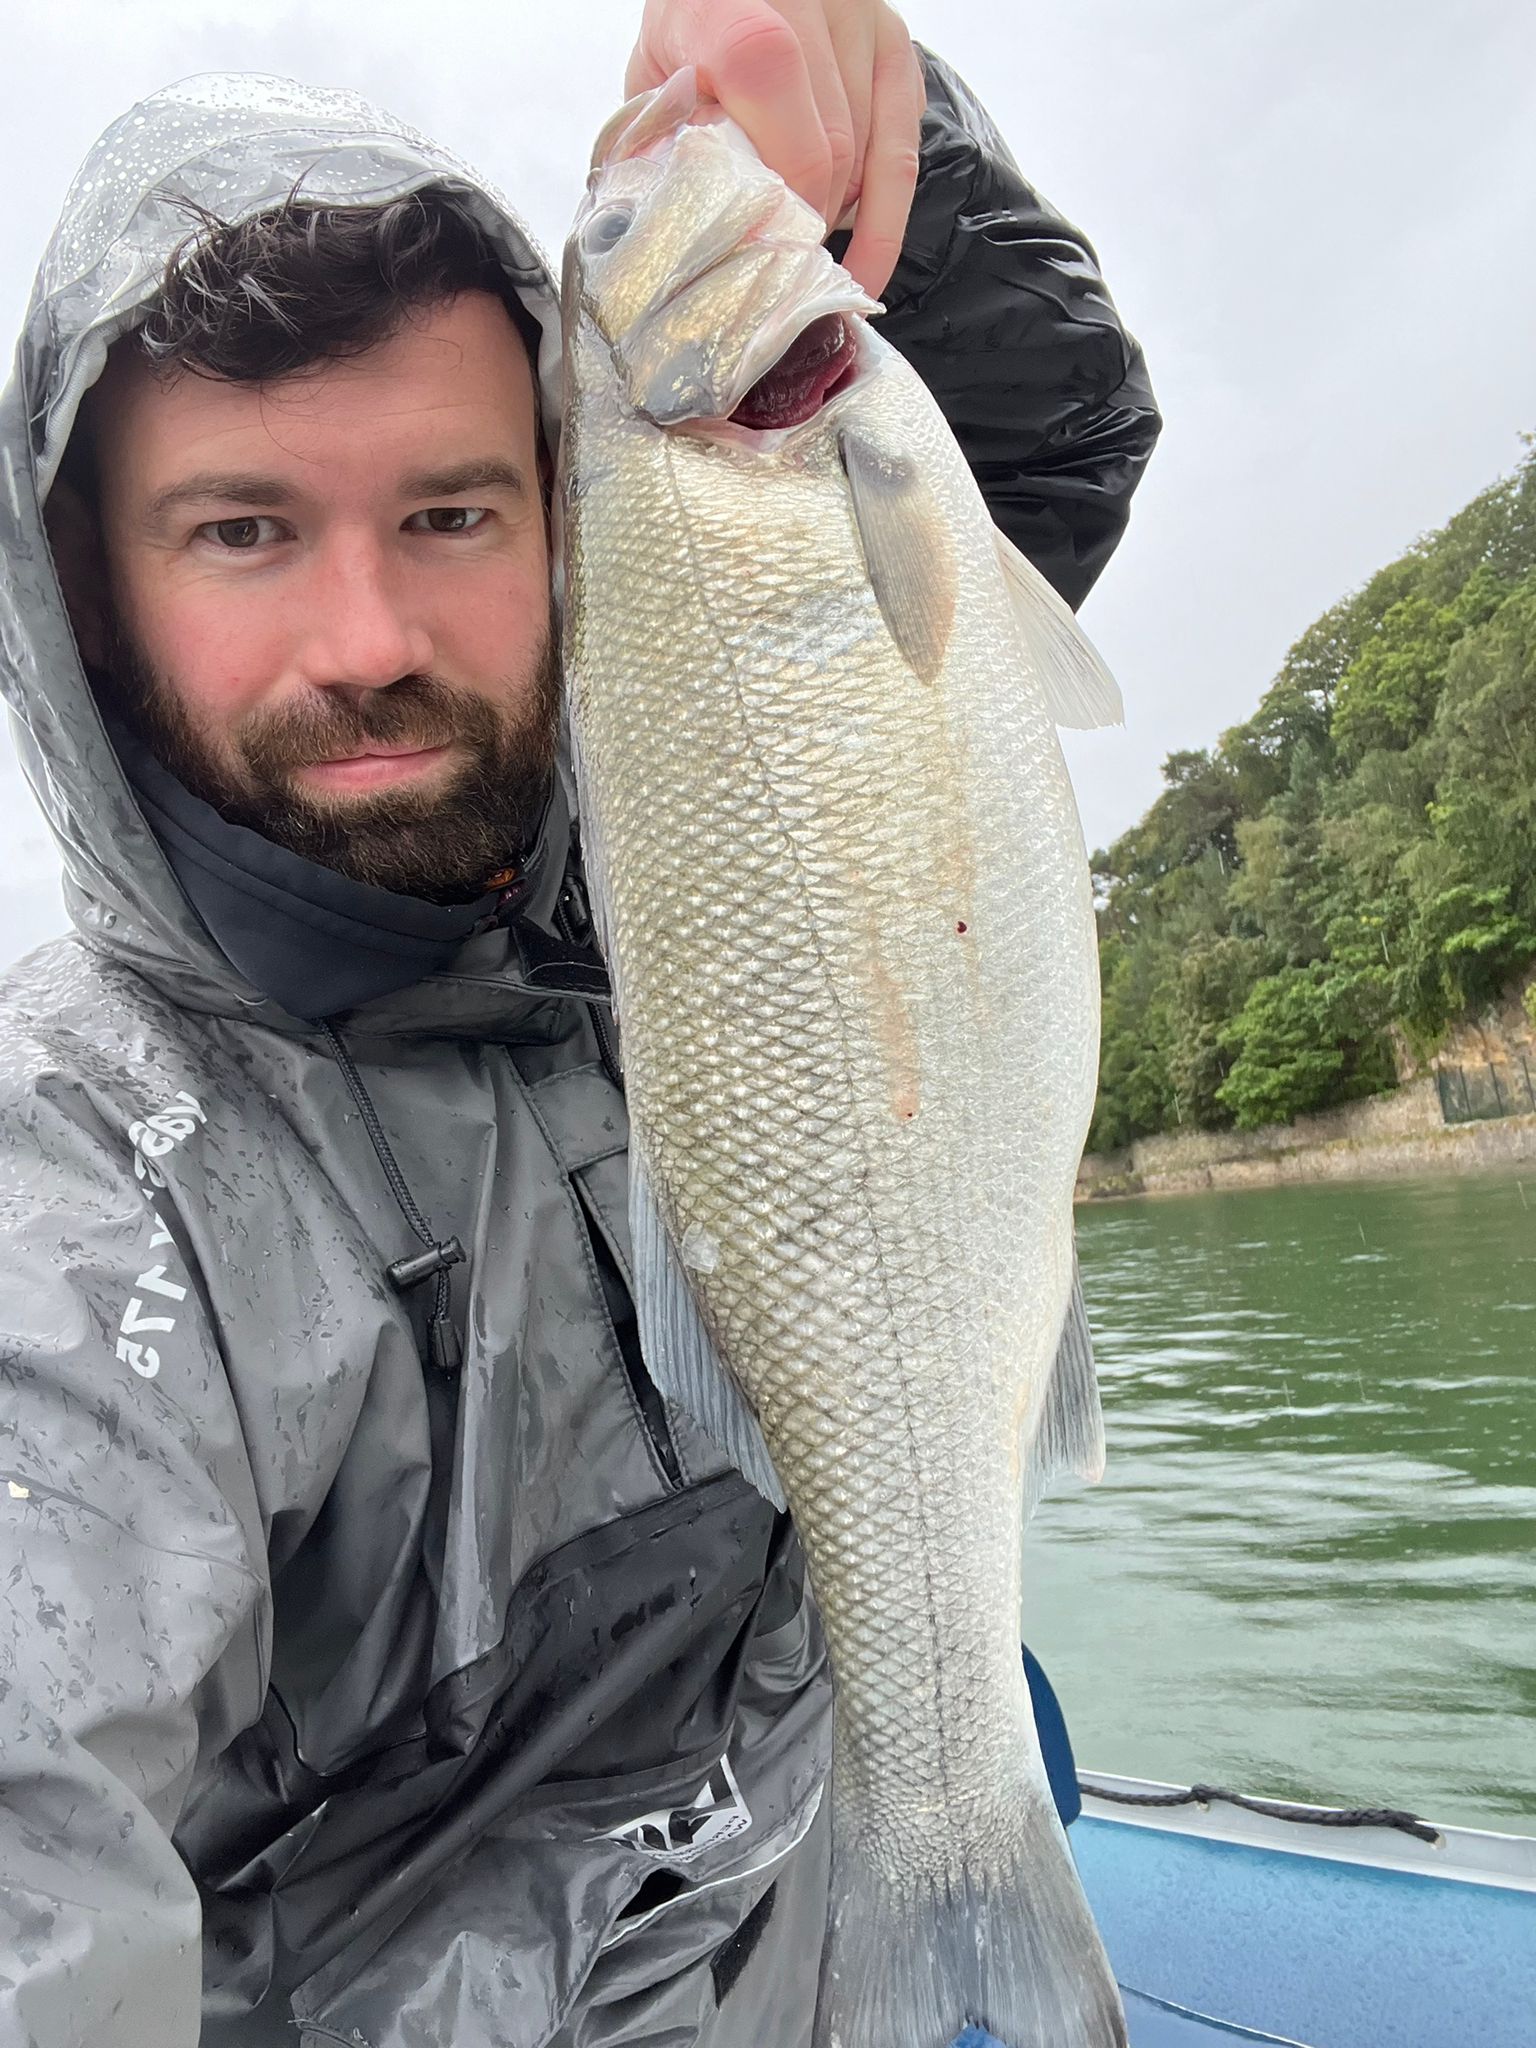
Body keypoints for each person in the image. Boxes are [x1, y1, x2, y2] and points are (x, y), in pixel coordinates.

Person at [0, 5, 1159, 2043]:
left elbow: (1037, 452)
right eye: (246, 531)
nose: (369, 644)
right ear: (94, 595)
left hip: (818, 1921)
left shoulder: (656, 822)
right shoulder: (75, 1190)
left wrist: (883, 146)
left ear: (562, 533)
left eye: (451, 513)